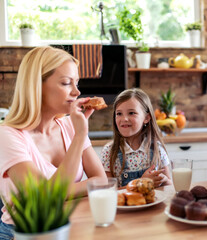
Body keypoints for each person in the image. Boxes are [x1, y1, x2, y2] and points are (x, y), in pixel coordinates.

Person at [0, 46, 107, 238]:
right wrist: (80, 136)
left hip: (68, 223)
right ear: (37, 86)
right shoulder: (7, 136)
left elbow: (101, 180)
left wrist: (57, 193)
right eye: (66, 83)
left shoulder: (69, 125)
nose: (76, 92)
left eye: (77, 83)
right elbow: (44, 199)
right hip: (21, 234)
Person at [100, 88, 172, 188]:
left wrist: (165, 181)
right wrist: (140, 183)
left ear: (146, 118)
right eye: (119, 113)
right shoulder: (109, 151)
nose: (124, 119)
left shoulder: (157, 149)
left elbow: (170, 187)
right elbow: (109, 193)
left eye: (131, 113)